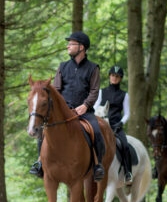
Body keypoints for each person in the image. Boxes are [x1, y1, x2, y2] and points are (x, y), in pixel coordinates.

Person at [29, 31, 105, 182]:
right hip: (64, 111)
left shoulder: (93, 68)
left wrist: (85, 105)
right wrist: (61, 108)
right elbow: (56, 90)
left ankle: (97, 165)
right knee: (44, 131)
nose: (67, 46)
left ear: (81, 47)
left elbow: (94, 91)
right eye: (68, 44)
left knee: (96, 131)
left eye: (71, 44)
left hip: (84, 111)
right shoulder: (62, 67)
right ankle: (39, 163)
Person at [94, 65, 133, 186]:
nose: (114, 78)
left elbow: (127, 113)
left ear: (120, 78)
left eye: (117, 76)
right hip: (101, 124)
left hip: (116, 126)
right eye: (112, 75)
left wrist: (120, 123)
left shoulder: (124, 95)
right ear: (109, 77)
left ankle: (128, 173)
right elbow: (95, 107)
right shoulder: (102, 92)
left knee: (125, 146)